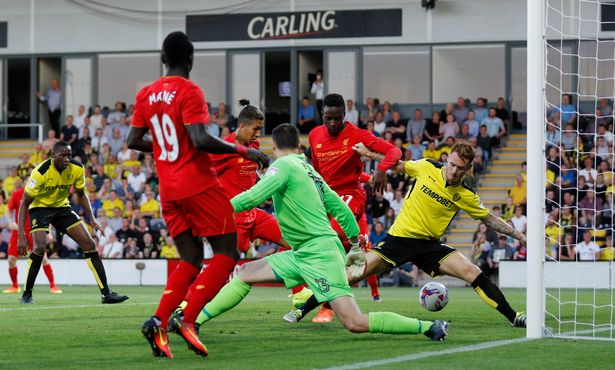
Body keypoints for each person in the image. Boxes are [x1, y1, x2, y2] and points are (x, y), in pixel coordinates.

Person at [184, 124, 448, 346]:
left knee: (355, 322)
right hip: (303, 252)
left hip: (320, 255)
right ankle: (191, 323)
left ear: (273, 146)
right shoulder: (310, 170)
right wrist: (355, 244)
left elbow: (252, 197)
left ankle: (428, 326)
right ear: (299, 144)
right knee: (245, 273)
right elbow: (342, 211)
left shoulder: (283, 166)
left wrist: (212, 213)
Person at [126, 31, 269, 359]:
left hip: (169, 191)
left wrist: (164, 149)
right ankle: (187, 320)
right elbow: (200, 138)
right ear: (190, 60)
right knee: (226, 253)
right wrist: (242, 151)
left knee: (190, 258)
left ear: (163, 59)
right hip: (199, 185)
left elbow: (134, 141)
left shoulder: (145, 94)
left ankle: (158, 320)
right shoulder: (189, 91)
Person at [290, 141, 528, 328]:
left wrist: (519, 235)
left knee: (473, 272)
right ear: (447, 159)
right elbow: (399, 165)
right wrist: (370, 155)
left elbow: (488, 218)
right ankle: (302, 309)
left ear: (468, 169)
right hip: (399, 240)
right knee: (352, 274)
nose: (454, 171)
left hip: (430, 246)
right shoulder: (427, 167)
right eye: (452, 165)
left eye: (460, 168)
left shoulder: (466, 194)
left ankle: (514, 316)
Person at [307, 93, 402, 320]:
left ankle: (328, 305)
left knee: (333, 239)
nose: (333, 123)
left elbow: (394, 151)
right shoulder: (314, 135)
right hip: (326, 198)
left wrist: (381, 170)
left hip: (351, 196)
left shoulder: (357, 135)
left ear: (344, 115)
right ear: (322, 116)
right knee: (317, 245)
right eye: (329, 118)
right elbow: (317, 171)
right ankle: (313, 295)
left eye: (337, 118)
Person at [17, 141, 128, 305]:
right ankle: (26, 295)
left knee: (89, 244)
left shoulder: (77, 168)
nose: (67, 158)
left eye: (69, 155)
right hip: (40, 208)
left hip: (62, 208)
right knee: (40, 247)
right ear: (53, 156)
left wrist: (92, 218)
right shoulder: (40, 172)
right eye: (63, 155)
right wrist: (21, 235)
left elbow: (81, 194)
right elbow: (25, 203)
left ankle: (106, 294)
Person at [2, 178, 62, 294]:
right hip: (18, 231)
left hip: (35, 230)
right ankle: (15, 286)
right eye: (27, 182)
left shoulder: (40, 195)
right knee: (11, 260)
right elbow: (8, 211)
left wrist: (48, 230)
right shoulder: (17, 194)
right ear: (24, 183)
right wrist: (10, 222)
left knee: (43, 258)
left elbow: (46, 214)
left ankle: (53, 286)